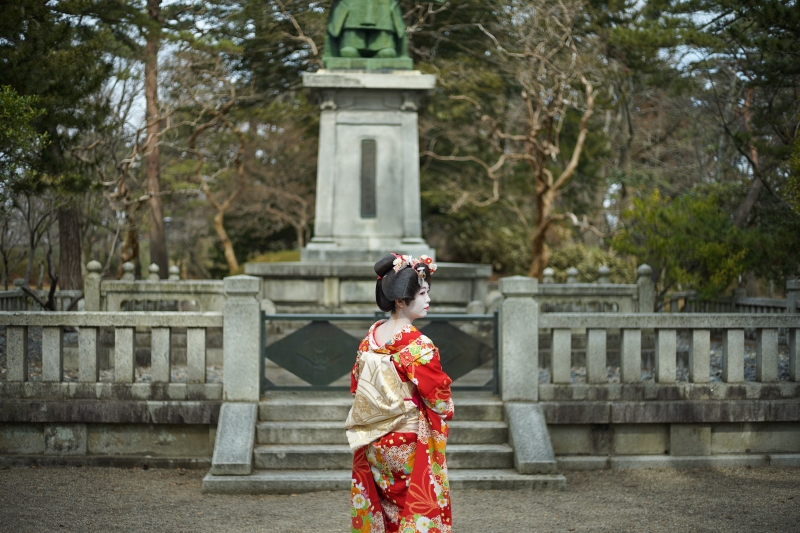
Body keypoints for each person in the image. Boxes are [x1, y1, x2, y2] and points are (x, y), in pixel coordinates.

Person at [346, 253, 454, 533]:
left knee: (384, 507)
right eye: (422, 293)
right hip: (406, 440)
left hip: (373, 440)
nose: (428, 300)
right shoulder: (418, 345)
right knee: (410, 508)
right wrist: (445, 411)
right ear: (400, 300)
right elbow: (439, 398)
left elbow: (356, 384)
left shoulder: (371, 337)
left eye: (428, 292)